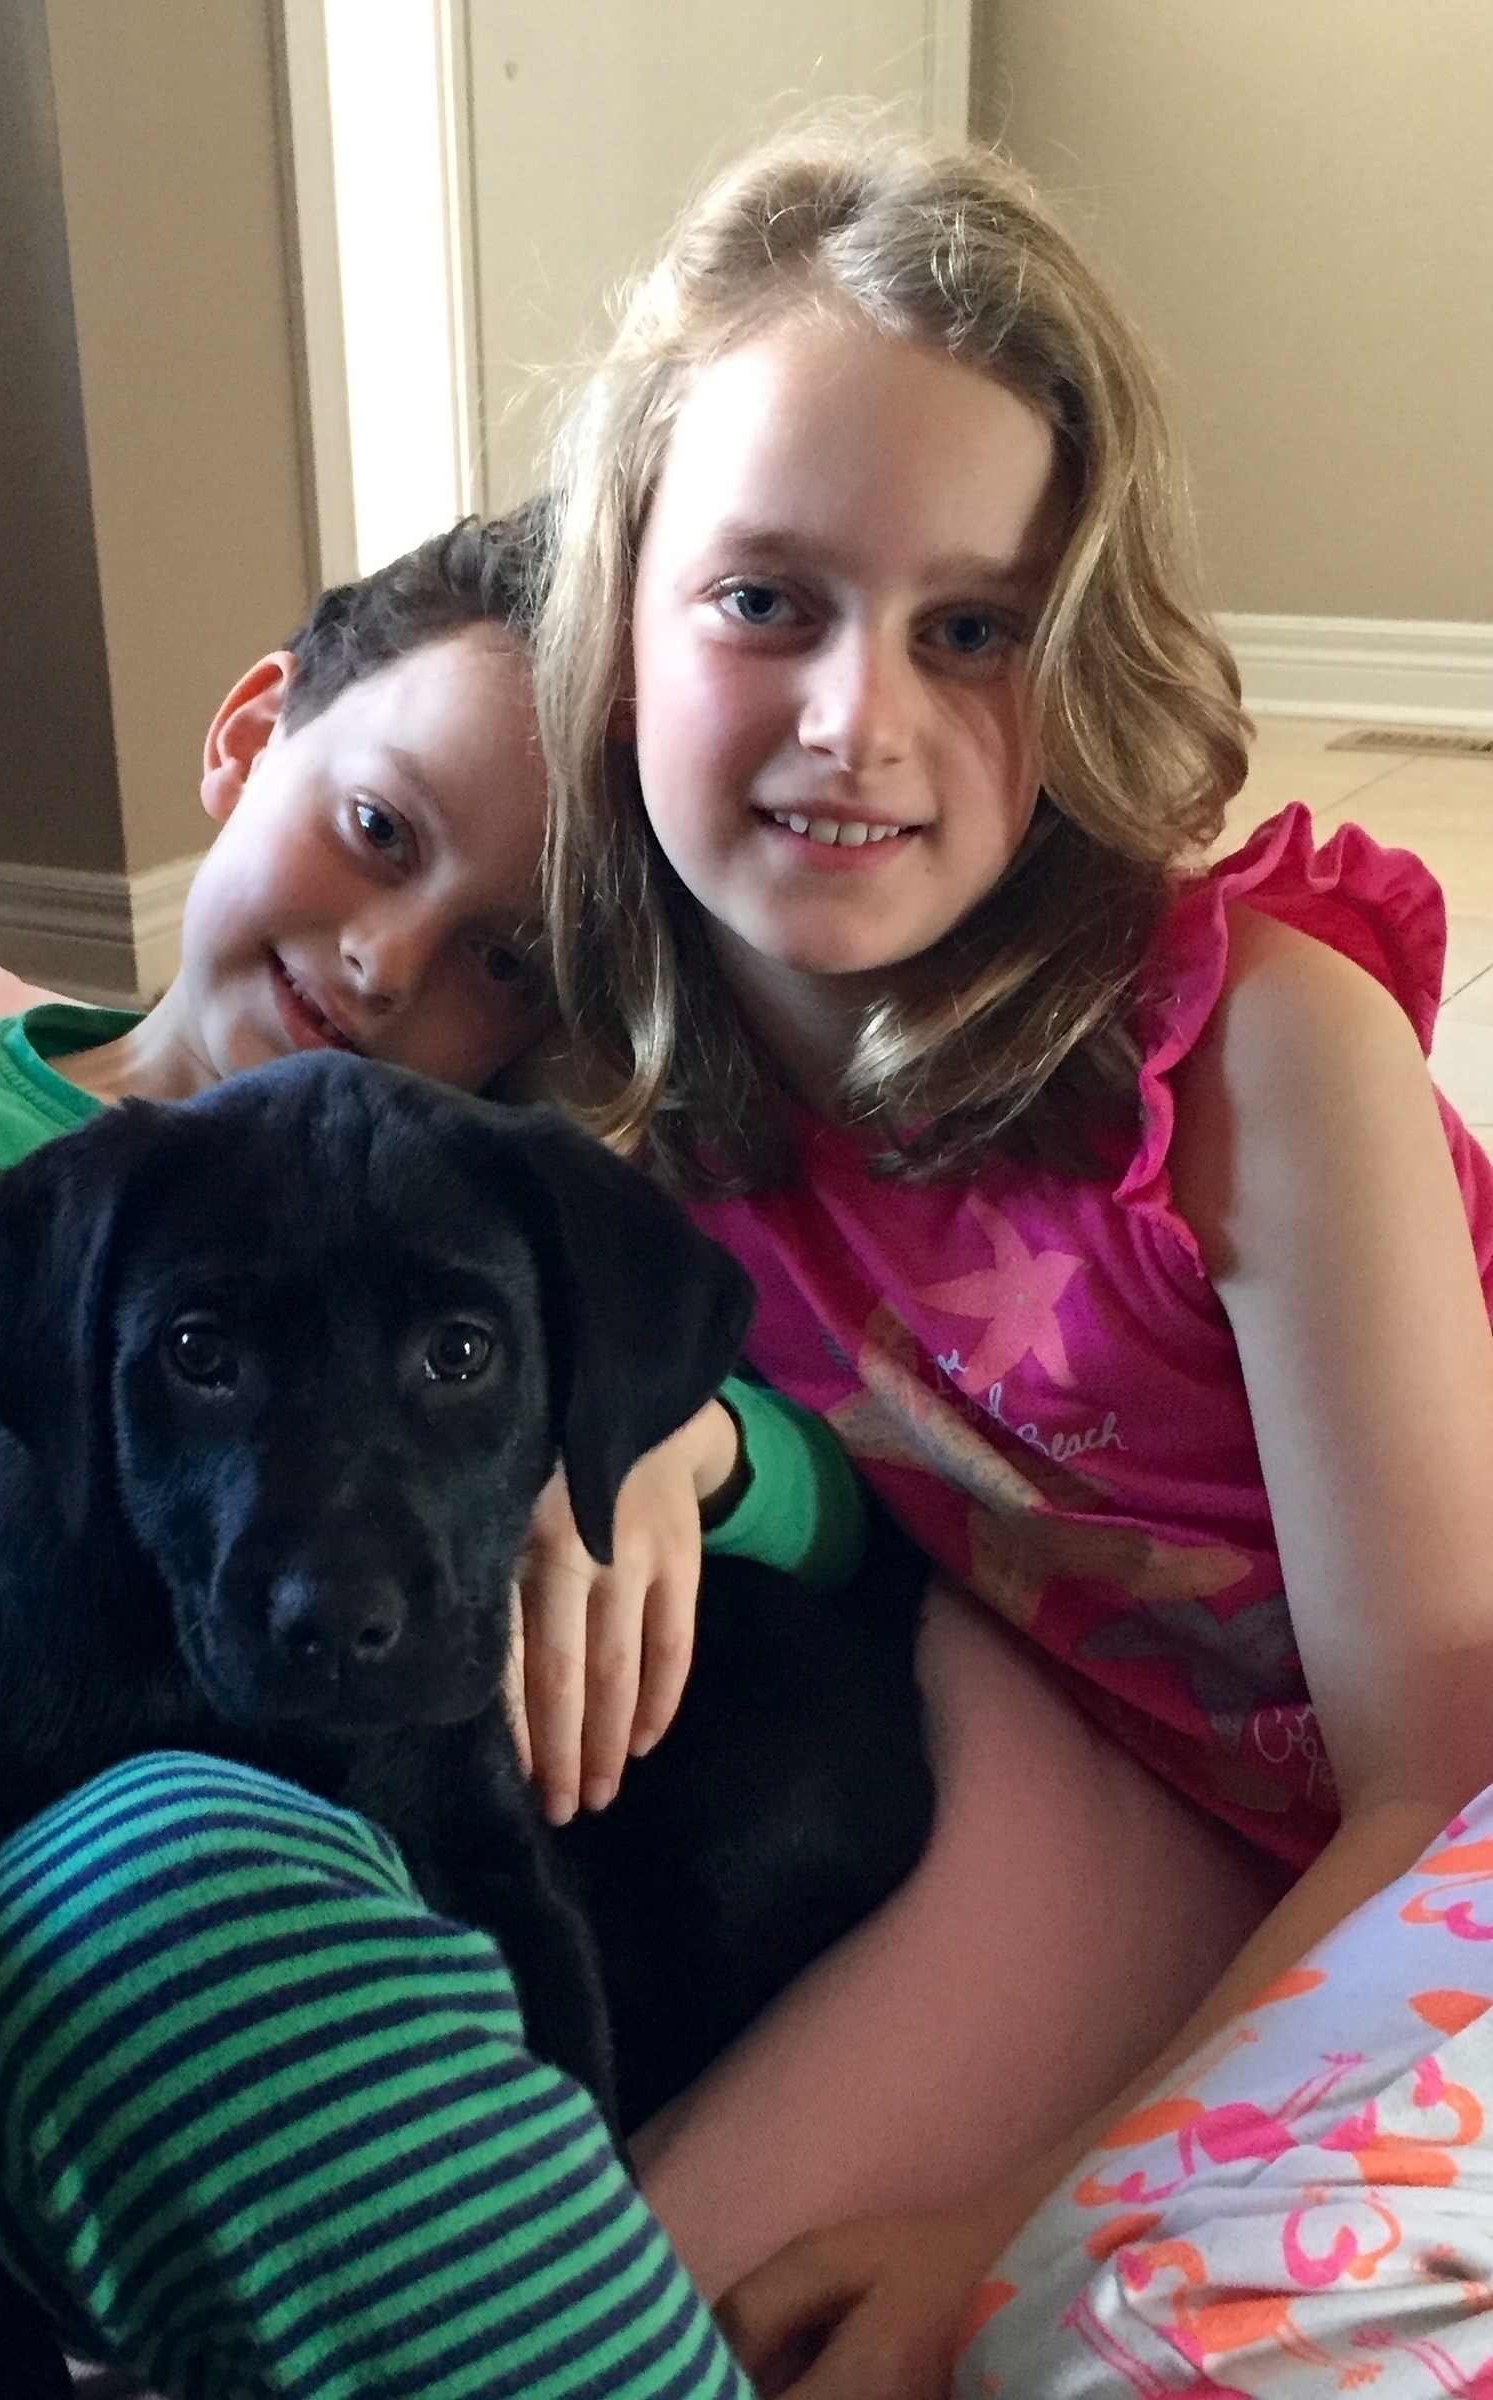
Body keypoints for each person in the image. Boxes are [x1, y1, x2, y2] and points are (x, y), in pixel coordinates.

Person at [0, 511, 851, 2400]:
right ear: (249, 737)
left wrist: (661, 1449)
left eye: (503, 957)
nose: (388, 961)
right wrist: (68, 1342)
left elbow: (836, 1503)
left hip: (208, 2011)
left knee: (215, 1887)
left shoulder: (494, 1210)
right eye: (377, 829)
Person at [535, 124, 1493, 2395]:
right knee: (614, 2320)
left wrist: (1025, 2211)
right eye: (766, 599)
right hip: (1149, 1816)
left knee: (1120, 2343)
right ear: (619, 622)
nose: (857, 719)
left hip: (1438, 1805)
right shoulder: (624, 1120)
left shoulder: (1257, 1046)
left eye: (972, 631)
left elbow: (1442, 1764)